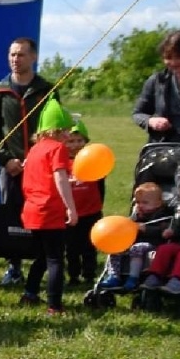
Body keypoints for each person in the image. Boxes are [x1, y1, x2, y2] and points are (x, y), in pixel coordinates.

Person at [0, 38, 58, 286]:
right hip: (11, 166)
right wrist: (6, 159)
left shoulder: (47, 89)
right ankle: (13, 267)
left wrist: (41, 158)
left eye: (21, 55)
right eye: (12, 54)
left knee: (44, 214)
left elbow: (54, 128)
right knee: (12, 213)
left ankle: (44, 262)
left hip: (41, 167)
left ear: (33, 57)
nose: (16, 59)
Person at [20, 98, 79, 313]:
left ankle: (30, 292)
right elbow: (59, 178)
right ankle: (55, 305)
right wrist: (70, 207)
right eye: (64, 130)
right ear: (54, 130)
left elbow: (39, 177)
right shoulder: (57, 149)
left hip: (32, 210)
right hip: (50, 210)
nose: (67, 135)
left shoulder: (35, 149)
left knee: (43, 256)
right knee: (56, 259)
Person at [101, 182, 172, 291]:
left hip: (153, 243)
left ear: (158, 203)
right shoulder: (138, 214)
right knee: (116, 247)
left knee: (137, 248)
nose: (140, 205)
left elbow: (163, 232)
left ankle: (133, 277)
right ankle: (114, 275)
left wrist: (146, 229)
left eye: (145, 202)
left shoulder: (163, 215)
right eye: (138, 202)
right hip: (135, 241)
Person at [64, 120, 105, 287]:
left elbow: (101, 186)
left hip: (91, 211)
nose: (75, 145)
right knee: (71, 248)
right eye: (71, 141)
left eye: (79, 140)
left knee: (89, 246)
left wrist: (98, 206)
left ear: (86, 142)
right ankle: (73, 275)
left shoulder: (92, 160)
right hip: (70, 212)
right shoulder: (62, 162)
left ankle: (89, 274)